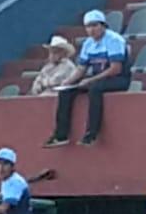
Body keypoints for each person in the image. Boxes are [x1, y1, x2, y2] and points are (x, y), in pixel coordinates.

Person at [44, 10, 130, 148]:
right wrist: (68, 82)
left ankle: (92, 133)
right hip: (97, 78)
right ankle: (61, 135)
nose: (91, 30)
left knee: (95, 89)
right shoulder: (88, 44)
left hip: (117, 79)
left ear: (103, 26)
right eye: (88, 26)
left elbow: (115, 69)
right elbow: (81, 68)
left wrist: (91, 80)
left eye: (95, 26)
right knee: (66, 91)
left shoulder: (114, 40)